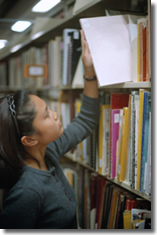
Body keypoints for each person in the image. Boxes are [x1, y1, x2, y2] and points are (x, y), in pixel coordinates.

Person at [0, 30, 100, 229]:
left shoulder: (49, 152)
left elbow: (85, 121)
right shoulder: (27, 193)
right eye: (46, 115)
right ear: (29, 140)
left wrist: (89, 72)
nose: (55, 114)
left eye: (49, 108)